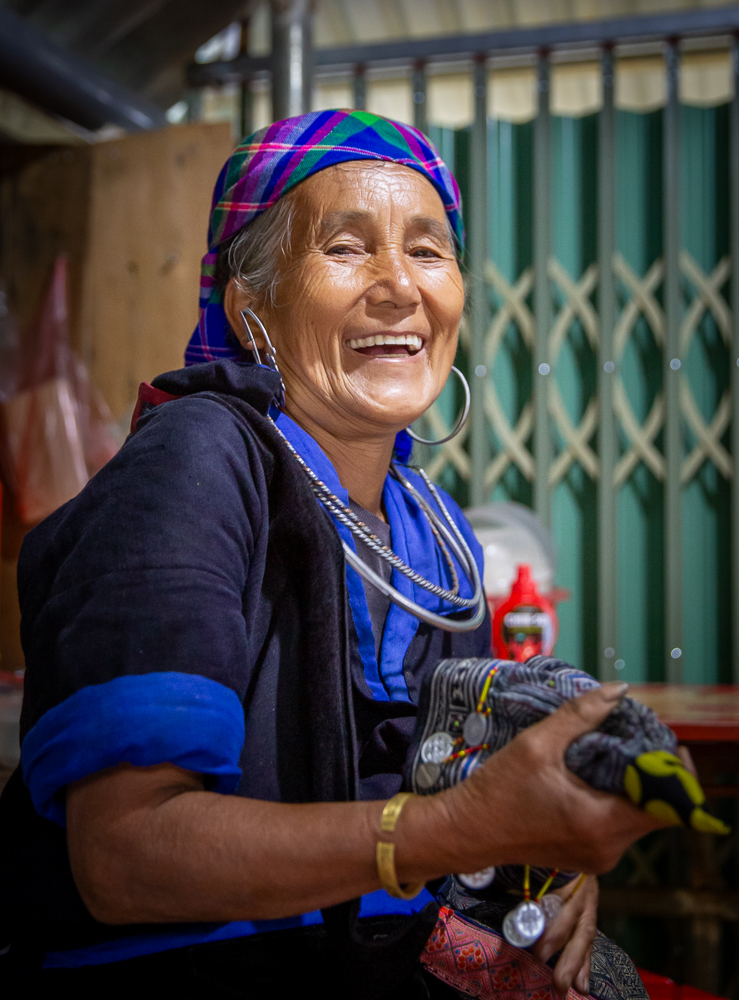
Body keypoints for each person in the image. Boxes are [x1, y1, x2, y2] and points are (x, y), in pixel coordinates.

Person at [0, 110, 662, 999]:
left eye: (429, 253)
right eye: (347, 249)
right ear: (251, 308)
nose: (398, 287)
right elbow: (124, 859)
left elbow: (448, 792)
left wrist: (538, 855)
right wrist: (456, 830)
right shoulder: (194, 462)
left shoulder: (432, 527)